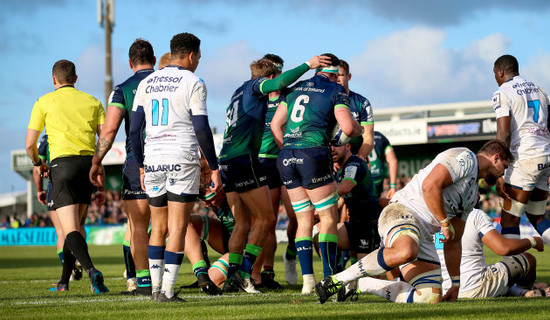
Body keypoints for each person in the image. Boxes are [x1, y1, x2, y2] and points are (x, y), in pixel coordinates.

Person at [314, 140, 512, 304]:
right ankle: (336, 280)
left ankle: (362, 285)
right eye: (504, 167)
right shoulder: (466, 157)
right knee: (406, 251)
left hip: (425, 236)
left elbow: (454, 240)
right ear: (496, 158)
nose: (503, 174)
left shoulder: (472, 196)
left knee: (430, 297)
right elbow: (429, 186)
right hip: (404, 211)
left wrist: (455, 283)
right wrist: (444, 222)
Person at [218, 54, 331, 294]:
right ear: (270, 77)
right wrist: (307, 66)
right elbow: (278, 85)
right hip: (244, 158)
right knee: (267, 220)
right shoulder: (256, 85)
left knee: (242, 223)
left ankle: (233, 277)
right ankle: (246, 274)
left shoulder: (237, 92)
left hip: (226, 159)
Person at [129, 32, 221, 303]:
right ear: (192, 56)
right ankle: (167, 291)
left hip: (154, 159)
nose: (198, 62)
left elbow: (135, 130)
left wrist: (142, 164)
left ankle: (156, 290)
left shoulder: (147, 82)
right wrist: (213, 166)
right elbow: (201, 127)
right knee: (177, 227)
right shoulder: (194, 81)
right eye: (199, 57)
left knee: (157, 227)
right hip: (181, 159)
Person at [271, 53, 363, 294]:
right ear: (335, 73)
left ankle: (308, 282)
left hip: (288, 156)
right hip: (313, 155)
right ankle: (329, 279)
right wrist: (359, 127)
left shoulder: (295, 88)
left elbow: (275, 125)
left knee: (303, 219)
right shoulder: (335, 90)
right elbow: (347, 128)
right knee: (327, 218)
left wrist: (289, 149)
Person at [25, 59, 108, 293]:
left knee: (69, 230)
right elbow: (104, 139)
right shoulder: (93, 102)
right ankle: (63, 282)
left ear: (54, 80)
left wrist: (38, 163)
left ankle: (92, 271)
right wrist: (97, 165)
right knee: (76, 228)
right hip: (87, 165)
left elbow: (30, 144)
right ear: (76, 78)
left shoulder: (43, 102)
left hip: (62, 166)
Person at [90, 38, 156, 295]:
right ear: (154, 57)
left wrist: (97, 161)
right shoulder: (170, 82)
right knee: (168, 223)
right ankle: (167, 278)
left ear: (130, 63)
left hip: (137, 162)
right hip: (170, 160)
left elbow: (110, 130)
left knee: (138, 227)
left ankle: (143, 282)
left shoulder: (122, 89)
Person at [491, 54, 550, 245]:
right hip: (545, 156)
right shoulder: (539, 90)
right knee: (536, 216)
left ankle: (516, 271)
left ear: (500, 72)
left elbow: (504, 134)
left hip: (525, 158)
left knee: (509, 220)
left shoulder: (503, 92)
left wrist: (500, 172)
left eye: (495, 74)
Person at [320, 140, 382, 300]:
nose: (332, 148)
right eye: (330, 145)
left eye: (336, 145)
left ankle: (347, 283)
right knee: (319, 235)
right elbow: (340, 198)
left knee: (366, 277)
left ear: (348, 146)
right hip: (354, 225)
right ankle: (336, 277)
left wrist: (320, 203)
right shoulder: (339, 168)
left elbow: (345, 188)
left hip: (369, 226)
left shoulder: (354, 164)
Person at [458, 208, 545, 298]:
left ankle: (519, 291)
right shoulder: (474, 214)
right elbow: (503, 248)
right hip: (474, 287)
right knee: (528, 259)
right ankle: (524, 290)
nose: (478, 194)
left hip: (451, 289)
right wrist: (532, 241)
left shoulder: (443, 219)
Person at [34, 134, 83, 282]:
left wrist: (39, 190)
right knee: (78, 226)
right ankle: (79, 258)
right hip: (78, 180)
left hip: (56, 185)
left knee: (61, 231)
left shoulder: (46, 138)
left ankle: (67, 270)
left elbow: (37, 166)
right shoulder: (74, 130)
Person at [337, 60, 374, 160]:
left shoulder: (362, 103)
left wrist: (359, 158)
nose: (337, 79)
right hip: (331, 159)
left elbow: (368, 139)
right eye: (334, 75)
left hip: (356, 156)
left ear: (348, 77)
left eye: (340, 75)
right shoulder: (325, 101)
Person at [369, 131, 398, 198]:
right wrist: (393, 187)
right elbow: (393, 161)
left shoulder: (355, 138)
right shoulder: (380, 137)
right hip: (378, 180)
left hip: (363, 182)